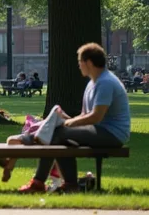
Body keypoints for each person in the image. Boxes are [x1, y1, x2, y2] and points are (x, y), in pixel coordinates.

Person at [16, 43, 131, 193]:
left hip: (112, 133)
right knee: (60, 137)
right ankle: (70, 185)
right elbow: (85, 116)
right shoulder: (92, 83)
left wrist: (69, 123)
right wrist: (65, 118)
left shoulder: (105, 83)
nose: (79, 66)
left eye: (80, 62)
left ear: (88, 62)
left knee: (57, 134)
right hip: (100, 130)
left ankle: (39, 182)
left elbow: (96, 116)